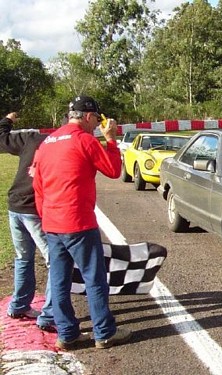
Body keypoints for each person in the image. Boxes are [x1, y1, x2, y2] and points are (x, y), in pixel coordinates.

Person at [33, 95, 132, 350]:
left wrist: (46, 216)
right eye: (96, 120)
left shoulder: (48, 142)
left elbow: (38, 185)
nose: (96, 125)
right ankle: (104, 332)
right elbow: (112, 170)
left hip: (52, 222)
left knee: (59, 280)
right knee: (94, 279)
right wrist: (110, 139)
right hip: (78, 221)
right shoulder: (84, 140)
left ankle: (67, 334)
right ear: (88, 116)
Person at [0, 112, 55, 332]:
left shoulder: (31, 138)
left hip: (15, 205)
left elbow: (1, 138)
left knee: (23, 258)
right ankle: (49, 315)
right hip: (34, 208)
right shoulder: (60, 145)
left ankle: (19, 305)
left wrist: (7, 120)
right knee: (55, 262)